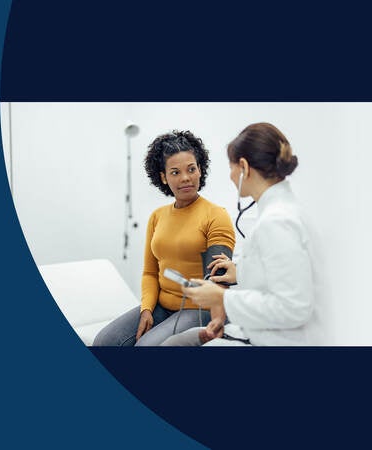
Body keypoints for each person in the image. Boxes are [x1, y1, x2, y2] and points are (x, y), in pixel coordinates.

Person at [161, 122, 315, 346]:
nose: (231, 176)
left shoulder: (276, 222)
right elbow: (281, 274)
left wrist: (221, 298)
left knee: (171, 345)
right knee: (176, 342)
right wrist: (241, 272)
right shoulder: (281, 211)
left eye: (231, 167)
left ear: (243, 167)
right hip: (261, 329)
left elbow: (294, 307)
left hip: (278, 339)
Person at [92, 130, 235, 346]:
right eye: (175, 172)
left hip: (199, 308)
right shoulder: (157, 217)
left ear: (200, 170)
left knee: (145, 347)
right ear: (164, 177)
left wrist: (217, 320)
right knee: (105, 341)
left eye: (191, 169)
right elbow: (150, 272)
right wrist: (146, 309)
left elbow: (217, 281)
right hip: (162, 305)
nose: (185, 178)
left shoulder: (216, 215)